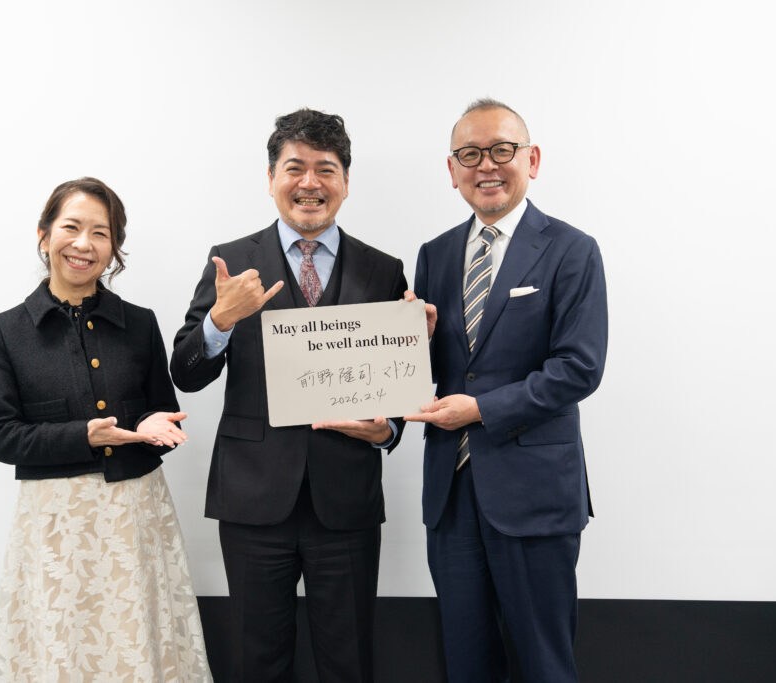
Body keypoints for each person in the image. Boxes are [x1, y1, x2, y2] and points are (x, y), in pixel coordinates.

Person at [171, 109, 407, 683]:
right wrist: (219, 322)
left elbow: (396, 379)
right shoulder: (231, 260)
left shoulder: (384, 269)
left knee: (349, 661)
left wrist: (390, 428)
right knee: (258, 660)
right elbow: (186, 373)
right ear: (271, 177)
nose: (310, 183)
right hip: (253, 497)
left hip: (345, 498)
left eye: (326, 169)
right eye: (294, 167)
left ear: (345, 181)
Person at [404, 99, 608, 683]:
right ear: (452, 170)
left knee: (544, 662)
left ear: (532, 160)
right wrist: (416, 343)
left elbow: (579, 368)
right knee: (466, 661)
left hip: (534, 493)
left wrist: (481, 410)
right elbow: (435, 373)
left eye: (501, 150)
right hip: (451, 493)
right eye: (470, 154)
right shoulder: (435, 254)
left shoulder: (571, 249)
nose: (486, 165)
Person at [0, 177, 211, 682]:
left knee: (135, 643)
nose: (84, 244)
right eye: (71, 227)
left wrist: (153, 424)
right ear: (44, 236)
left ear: (114, 248)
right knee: (59, 648)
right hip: (54, 526)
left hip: (135, 517)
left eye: (100, 233)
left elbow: (162, 410)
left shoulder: (140, 323)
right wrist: (84, 436)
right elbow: (1, 436)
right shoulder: (7, 330)